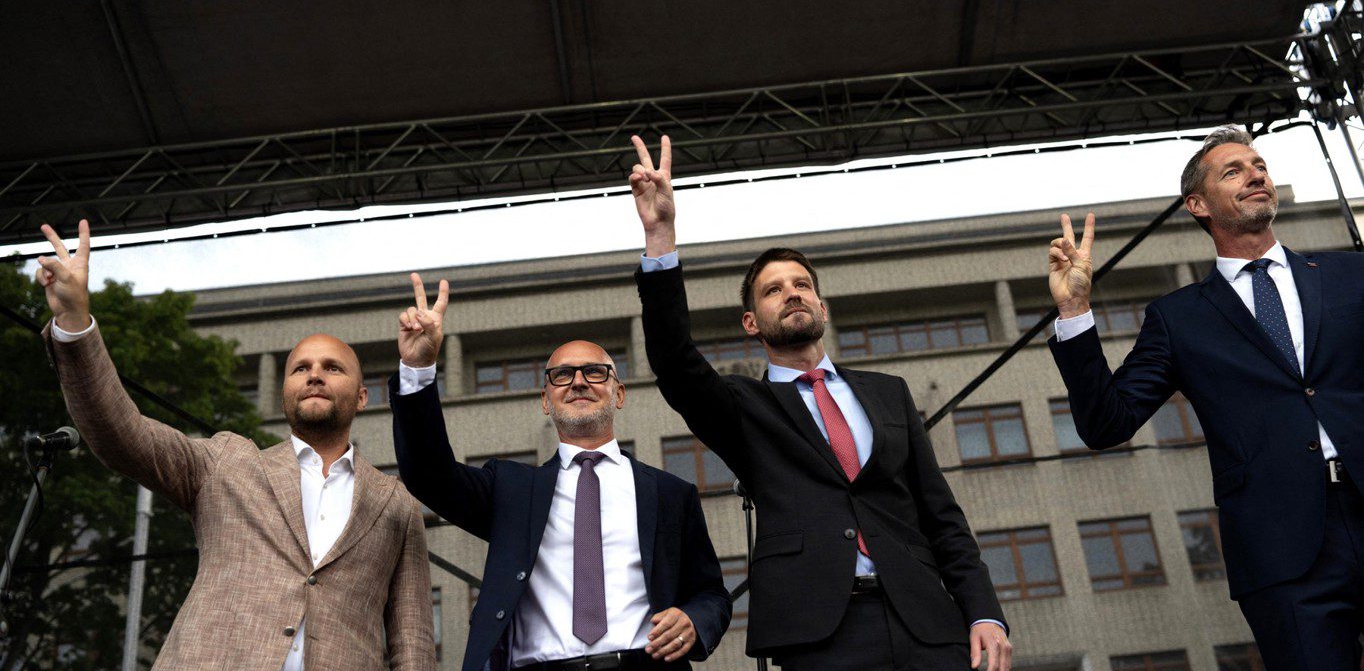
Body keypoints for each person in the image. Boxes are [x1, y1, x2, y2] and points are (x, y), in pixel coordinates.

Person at [627, 136, 1010, 671]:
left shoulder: (889, 392)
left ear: (822, 307)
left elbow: (941, 516)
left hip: (927, 624)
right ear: (750, 323)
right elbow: (674, 361)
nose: (792, 293)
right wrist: (660, 236)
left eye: (802, 284)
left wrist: (983, 612)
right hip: (819, 636)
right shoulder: (745, 407)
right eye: (773, 290)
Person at [32, 220, 435, 670]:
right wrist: (74, 322)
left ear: (362, 397)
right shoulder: (226, 463)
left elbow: (413, 644)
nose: (315, 375)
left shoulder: (396, 504)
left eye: (332, 368)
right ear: (284, 393)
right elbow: (119, 432)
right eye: (300, 369)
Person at [1046, 126, 1364, 669]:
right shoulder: (1179, 318)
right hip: (1283, 552)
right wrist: (1075, 311)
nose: (1255, 176)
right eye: (1233, 171)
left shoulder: (1350, 274)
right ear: (1198, 204)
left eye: (1259, 166)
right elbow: (1106, 423)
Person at [389, 273, 731, 671]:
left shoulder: (672, 493)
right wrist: (418, 369)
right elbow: (428, 474)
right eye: (562, 375)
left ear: (619, 394)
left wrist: (693, 621)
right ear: (546, 401)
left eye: (595, 372)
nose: (579, 382)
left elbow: (711, 594)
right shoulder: (511, 489)